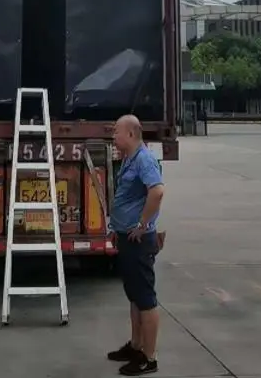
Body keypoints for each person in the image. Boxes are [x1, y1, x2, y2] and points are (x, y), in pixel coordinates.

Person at [107, 114, 165, 376]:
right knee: (134, 296)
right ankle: (135, 346)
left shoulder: (144, 159)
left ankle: (149, 358)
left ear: (131, 134)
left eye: (116, 131)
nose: (113, 136)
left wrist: (142, 224)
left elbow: (157, 191)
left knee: (146, 299)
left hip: (140, 240)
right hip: (127, 237)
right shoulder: (129, 158)